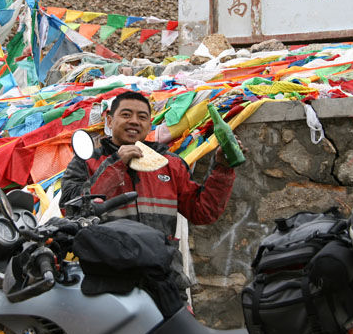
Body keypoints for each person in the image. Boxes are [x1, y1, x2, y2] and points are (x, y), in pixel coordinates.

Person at [60, 90, 243, 241]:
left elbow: (203, 213)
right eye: (125, 115)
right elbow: (70, 210)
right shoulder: (87, 160)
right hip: (107, 273)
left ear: (149, 125)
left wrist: (223, 168)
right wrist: (116, 164)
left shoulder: (170, 164)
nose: (134, 121)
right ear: (109, 120)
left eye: (142, 117)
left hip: (160, 273)